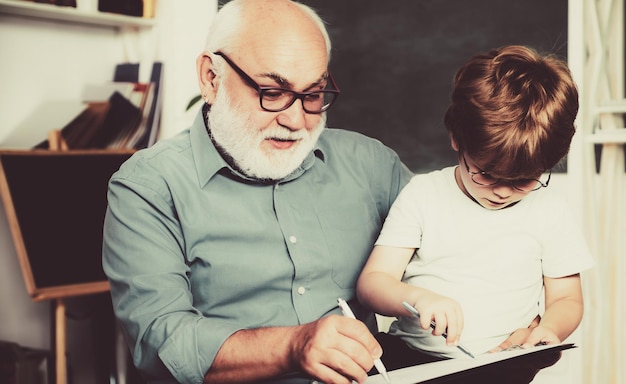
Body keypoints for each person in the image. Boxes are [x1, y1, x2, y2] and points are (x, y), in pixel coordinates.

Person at [102, 1, 413, 383]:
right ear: (211, 78)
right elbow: (159, 340)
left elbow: (457, 243)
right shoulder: (148, 187)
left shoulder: (370, 164)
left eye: (313, 94)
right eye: (272, 91)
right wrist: (292, 347)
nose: (296, 120)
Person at [356, 45, 594, 383]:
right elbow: (372, 284)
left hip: (503, 363)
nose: (502, 190)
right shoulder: (424, 194)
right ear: (457, 139)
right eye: (485, 174)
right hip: (412, 358)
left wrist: (549, 330)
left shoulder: (551, 210)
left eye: (525, 180)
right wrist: (417, 298)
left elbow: (567, 298)